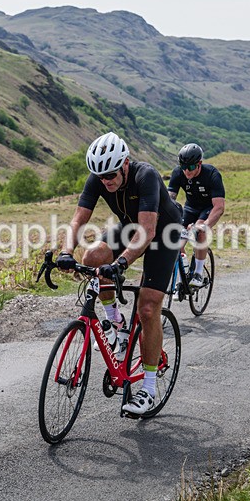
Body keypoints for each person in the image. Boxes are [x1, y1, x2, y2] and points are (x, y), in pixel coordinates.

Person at [56, 132, 182, 415]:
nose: (106, 181)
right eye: (100, 177)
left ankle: (148, 389)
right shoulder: (99, 178)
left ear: (125, 163)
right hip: (131, 227)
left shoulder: (145, 175)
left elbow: (148, 230)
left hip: (164, 233)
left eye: (111, 175)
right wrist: (65, 252)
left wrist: (122, 263)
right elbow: (78, 219)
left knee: (148, 308)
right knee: (92, 257)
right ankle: (117, 324)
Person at [167, 143, 226, 287]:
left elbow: (219, 207)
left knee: (200, 231)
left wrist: (206, 225)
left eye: (191, 167)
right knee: (177, 240)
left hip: (208, 208)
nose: (187, 171)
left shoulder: (212, 174)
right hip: (190, 208)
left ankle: (198, 273)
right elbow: (169, 200)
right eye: (183, 166)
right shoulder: (178, 173)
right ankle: (182, 278)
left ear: (199, 164)